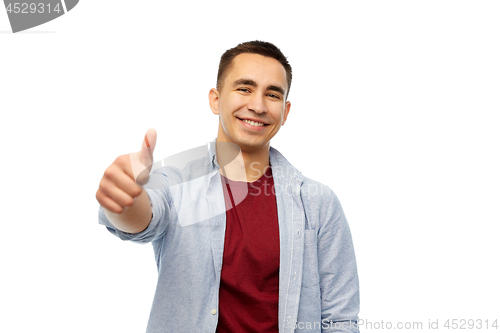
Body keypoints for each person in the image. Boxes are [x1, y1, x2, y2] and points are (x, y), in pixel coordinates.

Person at [95, 40, 360, 333]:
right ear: (215, 99)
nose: (258, 106)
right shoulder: (177, 180)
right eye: (244, 88)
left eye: (272, 94)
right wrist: (123, 200)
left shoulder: (318, 202)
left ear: (285, 113)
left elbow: (340, 319)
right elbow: (142, 219)